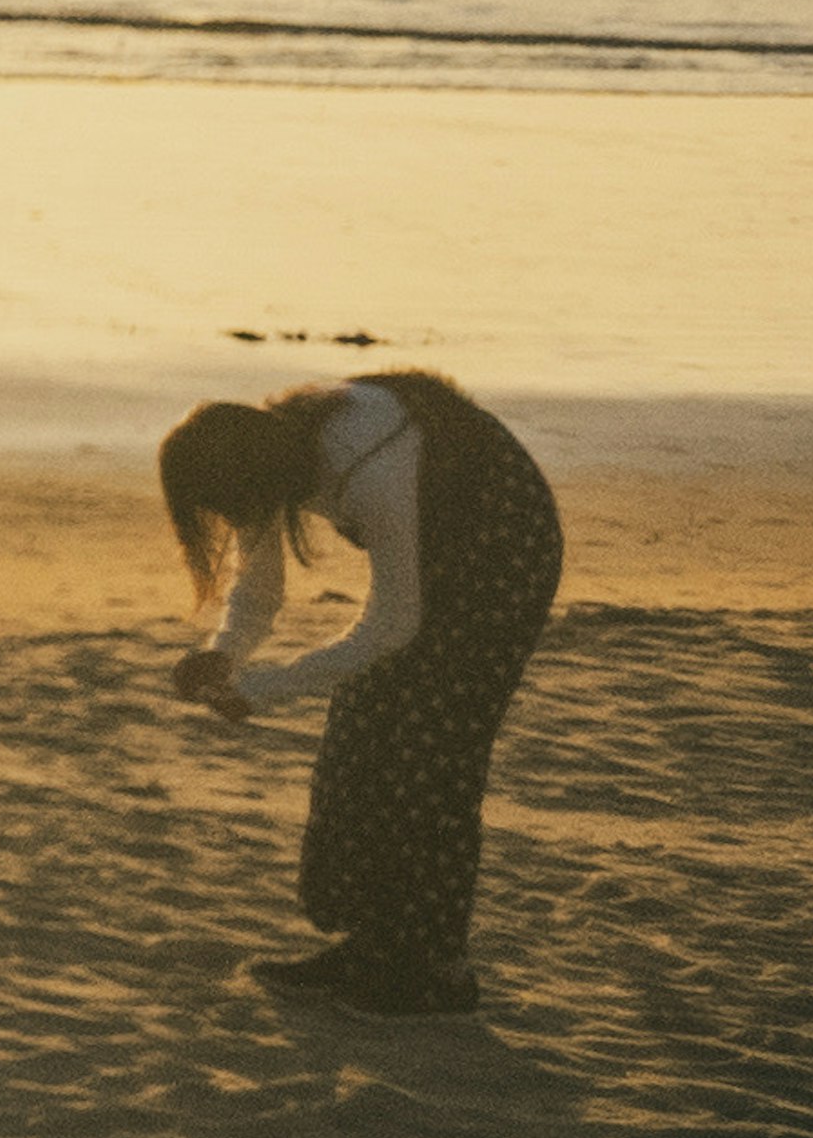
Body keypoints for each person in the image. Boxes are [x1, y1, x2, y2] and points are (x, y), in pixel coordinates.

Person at [158, 368, 563, 1013]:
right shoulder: (268, 454)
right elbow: (259, 591)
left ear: (251, 479)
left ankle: (433, 969)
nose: (229, 522)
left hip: (503, 548)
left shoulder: (366, 468)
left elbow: (393, 623)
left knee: (430, 757)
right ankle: (374, 948)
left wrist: (264, 690)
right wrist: (223, 655)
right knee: (361, 734)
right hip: (433, 545)